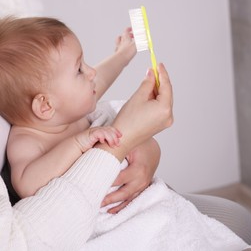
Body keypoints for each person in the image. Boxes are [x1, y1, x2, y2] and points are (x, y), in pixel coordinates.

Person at [0, 16, 160, 214]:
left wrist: (123, 54)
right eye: (79, 70)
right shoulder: (27, 140)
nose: (91, 72)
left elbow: (99, 80)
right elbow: (28, 186)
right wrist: (78, 143)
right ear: (45, 105)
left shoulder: (67, 112)